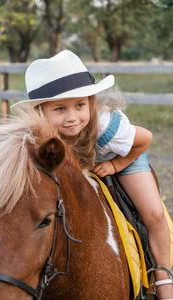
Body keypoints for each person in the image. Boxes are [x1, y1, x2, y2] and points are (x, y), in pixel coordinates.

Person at [10, 50, 173, 300]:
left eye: (79, 105)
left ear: (90, 102)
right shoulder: (39, 133)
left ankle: (163, 274)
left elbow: (145, 139)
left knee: (153, 213)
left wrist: (117, 166)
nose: (72, 118)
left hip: (121, 155)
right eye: (60, 109)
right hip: (82, 162)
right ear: (42, 112)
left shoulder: (107, 125)